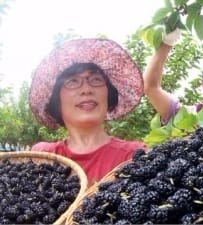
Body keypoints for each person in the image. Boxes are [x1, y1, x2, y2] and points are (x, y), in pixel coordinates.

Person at [29, 38, 145, 186]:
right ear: (56, 99)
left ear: (108, 95)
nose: (86, 89)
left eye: (96, 80)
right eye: (73, 82)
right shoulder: (43, 156)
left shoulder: (134, 155)